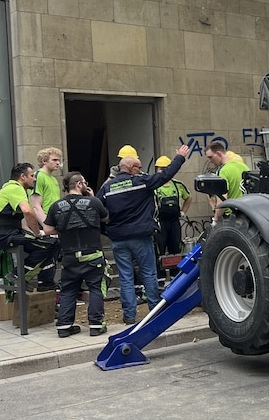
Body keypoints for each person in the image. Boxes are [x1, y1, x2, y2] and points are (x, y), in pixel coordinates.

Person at [99, 144, 190, 325]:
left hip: (118, 239)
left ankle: (129, 316)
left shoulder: (108, 187)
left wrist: (108, 228)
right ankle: (154, 312)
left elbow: (98, 210)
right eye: (139, 167)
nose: (141, 170)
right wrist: (179, 157)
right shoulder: (141, 183)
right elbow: (165, 175)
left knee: (125, 277)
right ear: (132, 168)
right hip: (140, 236)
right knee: (149, 273)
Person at [43, 172, 109, 338]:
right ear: (79, 185)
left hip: (70, 256)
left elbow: (48, 230)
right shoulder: (94, 202)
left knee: (68, 290)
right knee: (95, 288)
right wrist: (92, 198)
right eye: (85, 183)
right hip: (93, 255)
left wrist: (64, 228)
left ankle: (64, 327)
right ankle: (95, 325)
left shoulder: (56, 206)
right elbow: (106, 218)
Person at [0, 163, 60, 287]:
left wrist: (35, 234)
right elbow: (28, 212)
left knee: (49, 242)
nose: (34, 179)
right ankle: (18, 275)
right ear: (23, 177)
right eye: (32, 175)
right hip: (4, 236)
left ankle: (45, 282)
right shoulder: (15, 188)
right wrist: (37, 233)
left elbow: (20, 221)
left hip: (3, 234)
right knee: (52, 243)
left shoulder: (7, 189)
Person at [30, 147, 63, 289]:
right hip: (45, 223)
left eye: (59, 160)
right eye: (54, 160)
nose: (58, 163)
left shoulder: (54, 180)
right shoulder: (39, 177)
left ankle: (48, 290)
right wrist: (46, 226)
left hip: (53, 221)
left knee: (51, 259)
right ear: (44, 161)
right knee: (46, 256)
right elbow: (36, 205)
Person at [154, 155, 192, 255]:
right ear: (156, 169)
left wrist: (183, 211)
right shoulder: (154, 186)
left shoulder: (178, 185)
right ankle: (160, 271)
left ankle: (175, 270)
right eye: (161, 169)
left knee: (175, 249)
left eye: (166, 168)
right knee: (160, 250)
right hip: (160, 224)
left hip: (174, 223)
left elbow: (188, 198)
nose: (164, 171)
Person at [204, 140, 249, 223]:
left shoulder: (223, 171)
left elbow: (222, 199)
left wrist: (216, 219)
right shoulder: (244, 167)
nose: (210, 161)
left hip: (230, 217)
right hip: (246, 214)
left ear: (219, 154)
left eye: (211, 157)